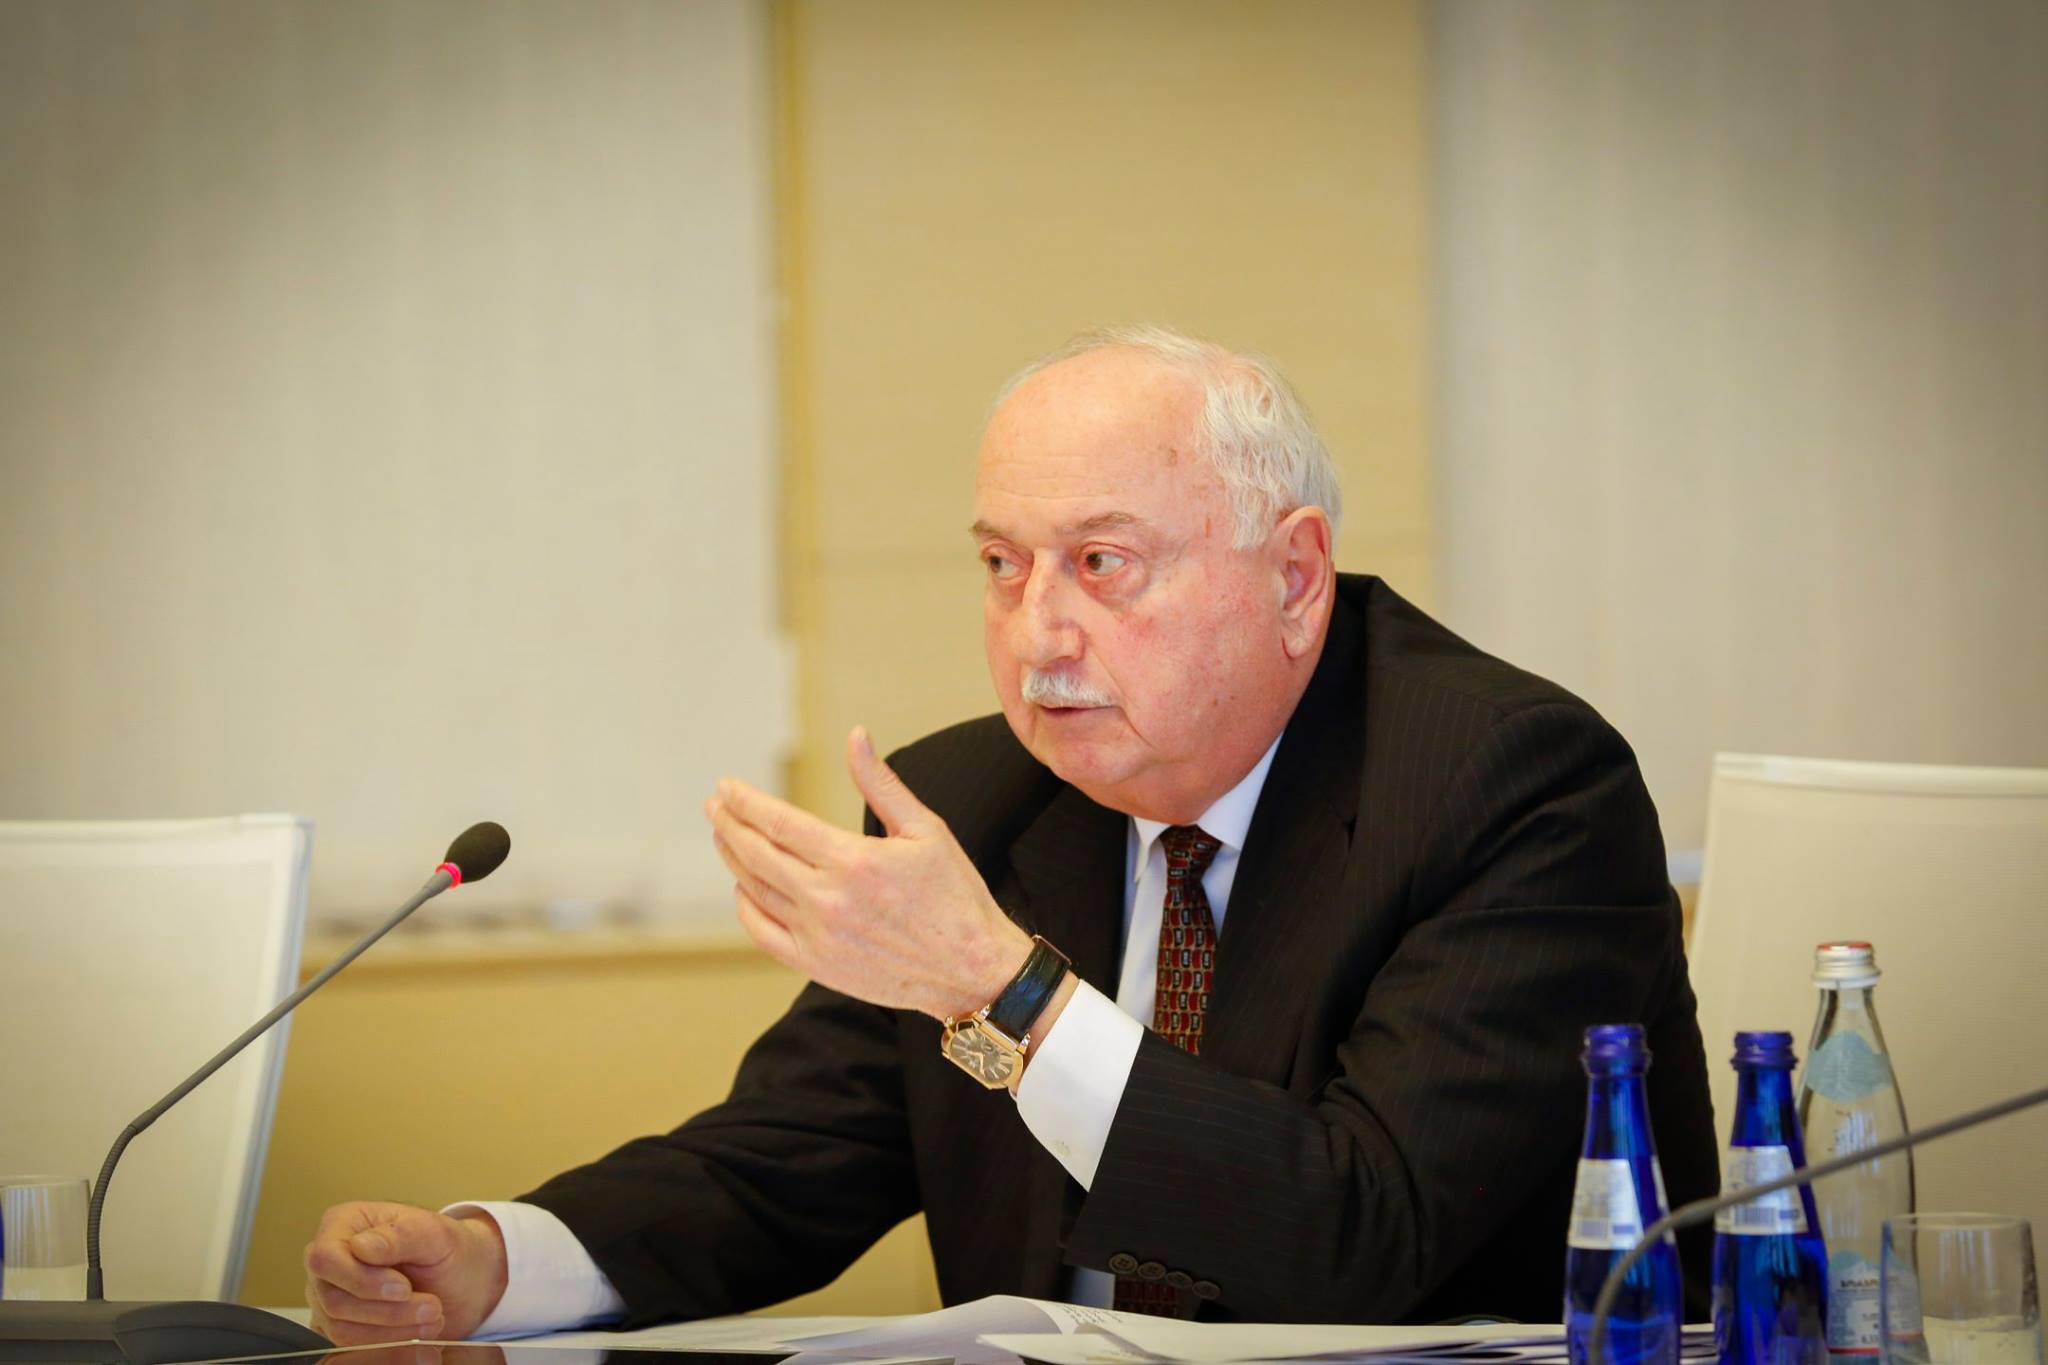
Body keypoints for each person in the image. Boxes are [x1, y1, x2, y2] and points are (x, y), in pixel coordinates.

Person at [304, 326, 1719, 1344]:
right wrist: (493, 1259)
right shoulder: (979, 801)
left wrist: (1005, 988)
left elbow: (1361, 1238)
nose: (1037, 634)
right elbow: (782, 1161)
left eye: (1102, 563)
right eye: (1002, 564)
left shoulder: (1513, 788)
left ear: (1293, 576)